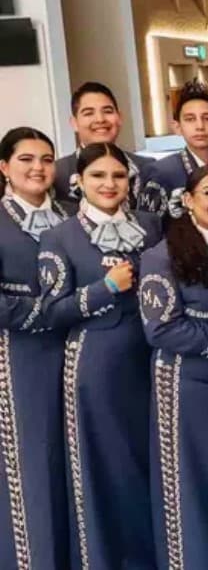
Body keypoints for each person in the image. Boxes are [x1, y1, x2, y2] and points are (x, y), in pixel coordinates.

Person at [38, 142, 163, 569]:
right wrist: (103, 289)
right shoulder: (59, 236)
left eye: (117, 176)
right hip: (98, 366)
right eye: (98, 176)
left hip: (148, 362)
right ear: (79, 182)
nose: (109, 184)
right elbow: (52, 311)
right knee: (108, 472)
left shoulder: (151, 227)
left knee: (150, 469)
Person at [138, 164, 208, 569]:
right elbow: (161, 330)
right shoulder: (162, 255)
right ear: (188, 200)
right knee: (194, 488)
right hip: (190, 385)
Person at [0, 127, 70, 569]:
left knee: (72, 461)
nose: (38, 167)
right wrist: (53, 312)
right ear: (5, 168)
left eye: (46, 158)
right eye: (26, 159)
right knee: (29, 464)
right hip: (22, 357)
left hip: (75, 354)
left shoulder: (74, 216)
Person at [141, 80, 208, 220]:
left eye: (207, 118)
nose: (200, 126)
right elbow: (150, 226)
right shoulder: (161, 172)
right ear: (177, 127)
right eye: (190, 119)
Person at [53, 82, 156, 211]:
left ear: (119, 118)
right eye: (89, 113)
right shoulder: (57, 173)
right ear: (74, 123)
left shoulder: (148, 168)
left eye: (107, 111)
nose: (100, 119)